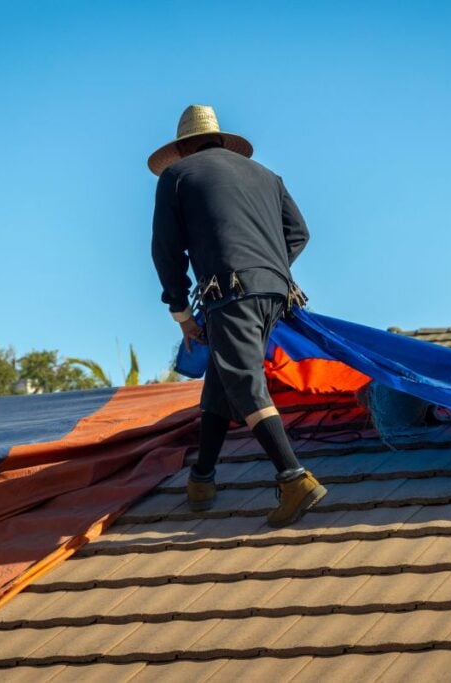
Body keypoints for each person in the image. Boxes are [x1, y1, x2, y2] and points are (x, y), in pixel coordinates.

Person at [149, 104, 327, 528]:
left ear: (183, 148)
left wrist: (180, 311)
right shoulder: (268, 176)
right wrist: (268, 268)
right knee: (227, 375)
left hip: (229, 293)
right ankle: (202, 478)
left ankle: (294, 477)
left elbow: (166, 249)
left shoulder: (178, 177)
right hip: (278, 293)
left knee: (245, 382)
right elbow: (299, 233)